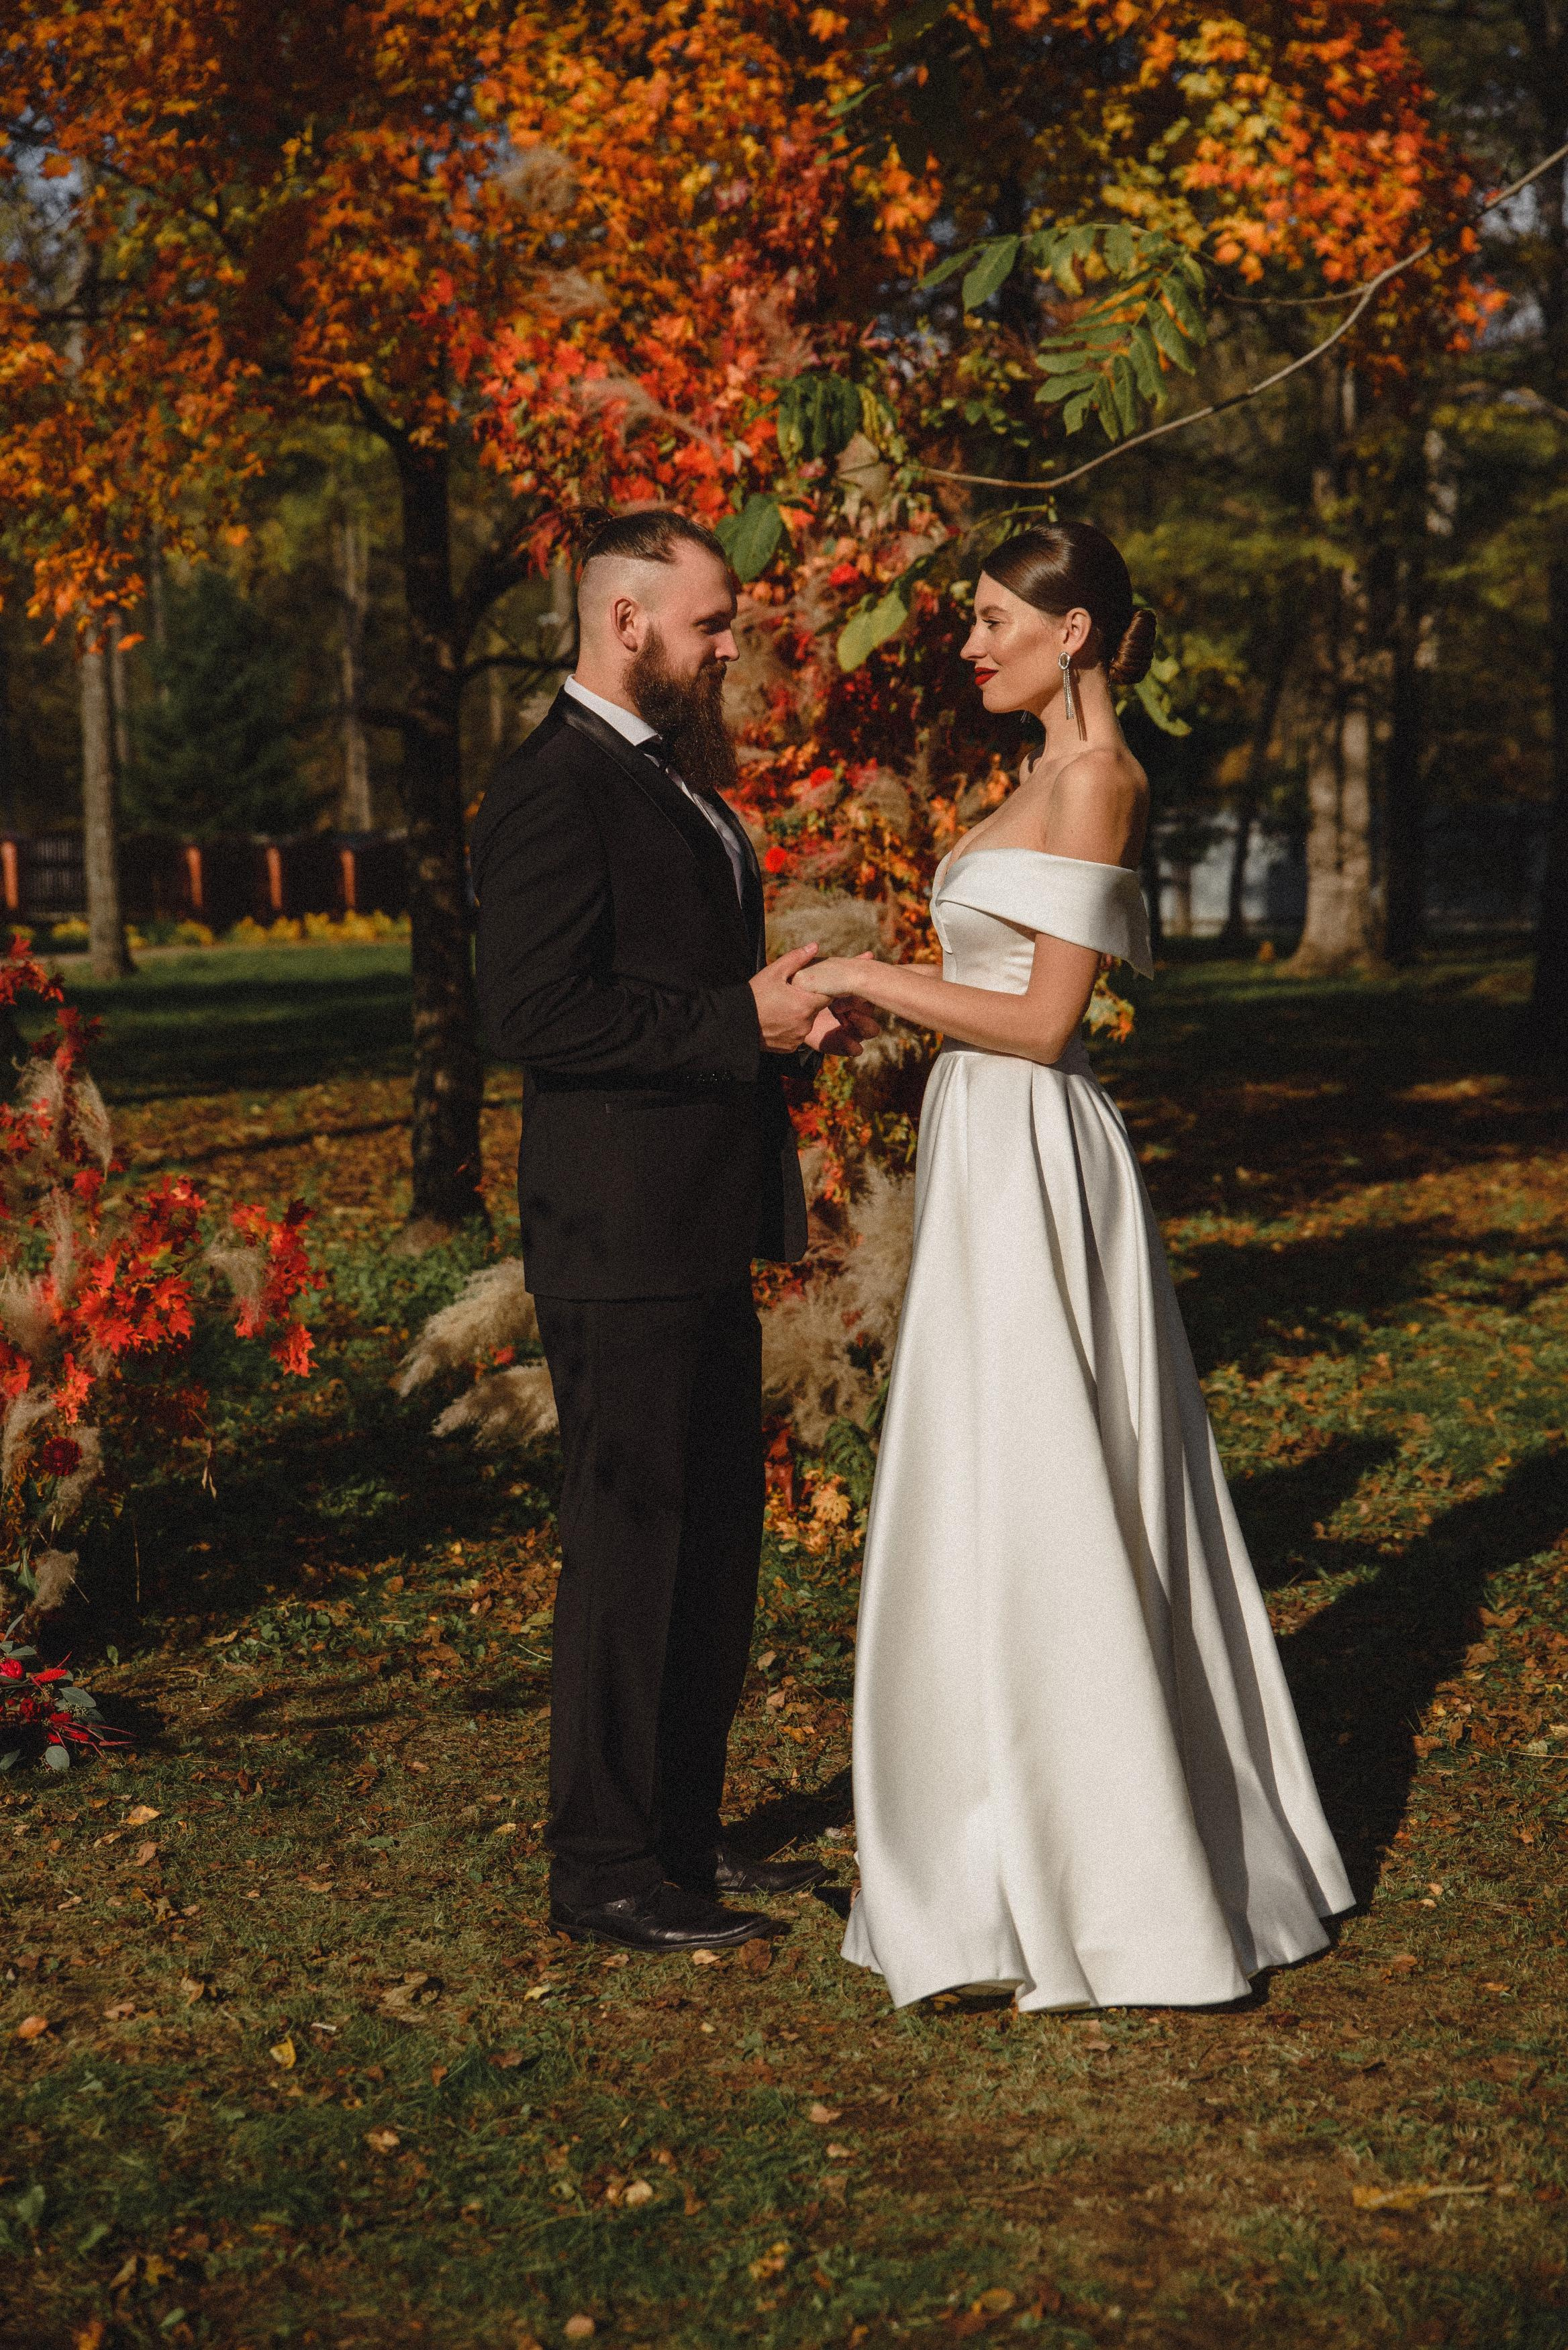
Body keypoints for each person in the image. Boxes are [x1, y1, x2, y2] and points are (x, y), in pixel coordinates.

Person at [792, 521, 1353, 2012]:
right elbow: (990, 993)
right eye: (973, 621)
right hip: (990, 1146)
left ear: (1076, 632)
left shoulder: (1096, 779)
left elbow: (1044, 1022)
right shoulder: (1022, 780)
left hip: (1038, 1153)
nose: (970, 645)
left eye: (992, 620)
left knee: (1050, 1468)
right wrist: (897, 1012)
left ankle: (1111, 1871)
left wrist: (858, 972)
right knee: (991, 1466)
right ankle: (985, 1843)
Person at [470, 508, 869, 1956]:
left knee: (710, 1548)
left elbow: (660, 982)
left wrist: (772, 1016)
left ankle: (682, 1848)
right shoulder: (551, 787)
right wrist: (729, 1021)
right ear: (625, 619)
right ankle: (602, 1869)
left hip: (693, 1218)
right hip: (616, 1228)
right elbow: (530, 1010)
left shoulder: (670, 782)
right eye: (710, 622)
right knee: (631, 1547)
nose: (727, 646)